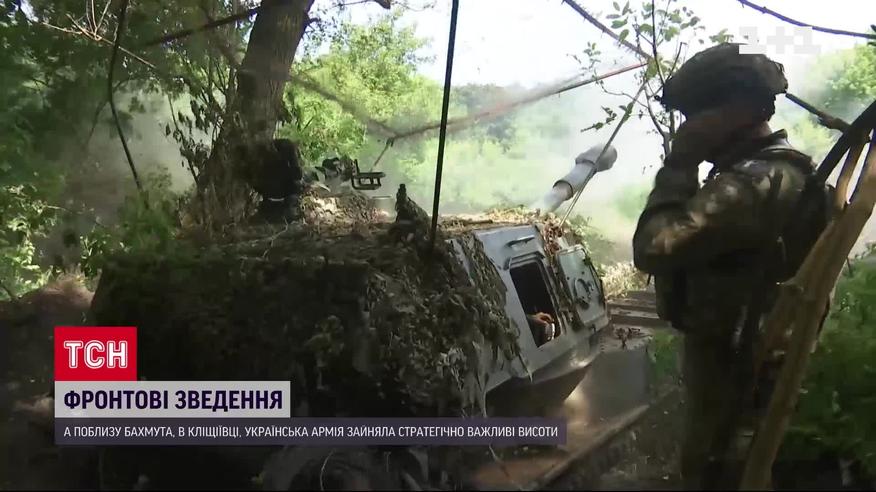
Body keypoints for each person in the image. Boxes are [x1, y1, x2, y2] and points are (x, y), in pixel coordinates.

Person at [632, 43, 830, 489]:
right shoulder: (781, 172)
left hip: (736, 381)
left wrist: (680, 163)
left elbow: (653, 247)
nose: (688, 127)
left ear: (736, 111)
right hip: (749, 370)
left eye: (696, 115)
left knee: (717, 473)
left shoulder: (749, 186)